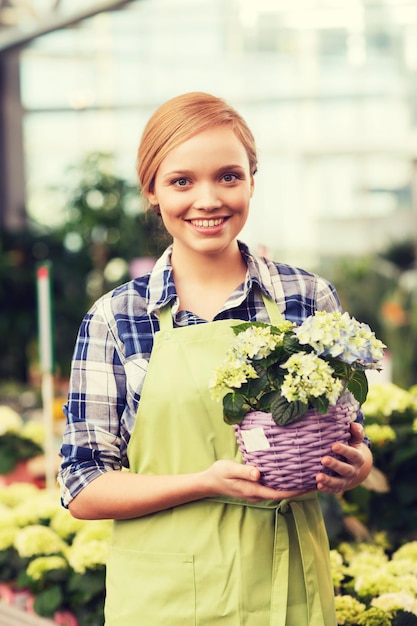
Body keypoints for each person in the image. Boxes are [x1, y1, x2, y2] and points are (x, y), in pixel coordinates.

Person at [58, 92, 373, 625]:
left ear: (252, 180)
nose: (208, 199)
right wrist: (203, 482)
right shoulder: (117, 317)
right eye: (182, 181)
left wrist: (355, 466)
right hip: (165, 598)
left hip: (286, 584)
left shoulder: (307, 297)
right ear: (152, 191)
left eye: (229, 176)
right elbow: (83, 485)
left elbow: (342, 431)